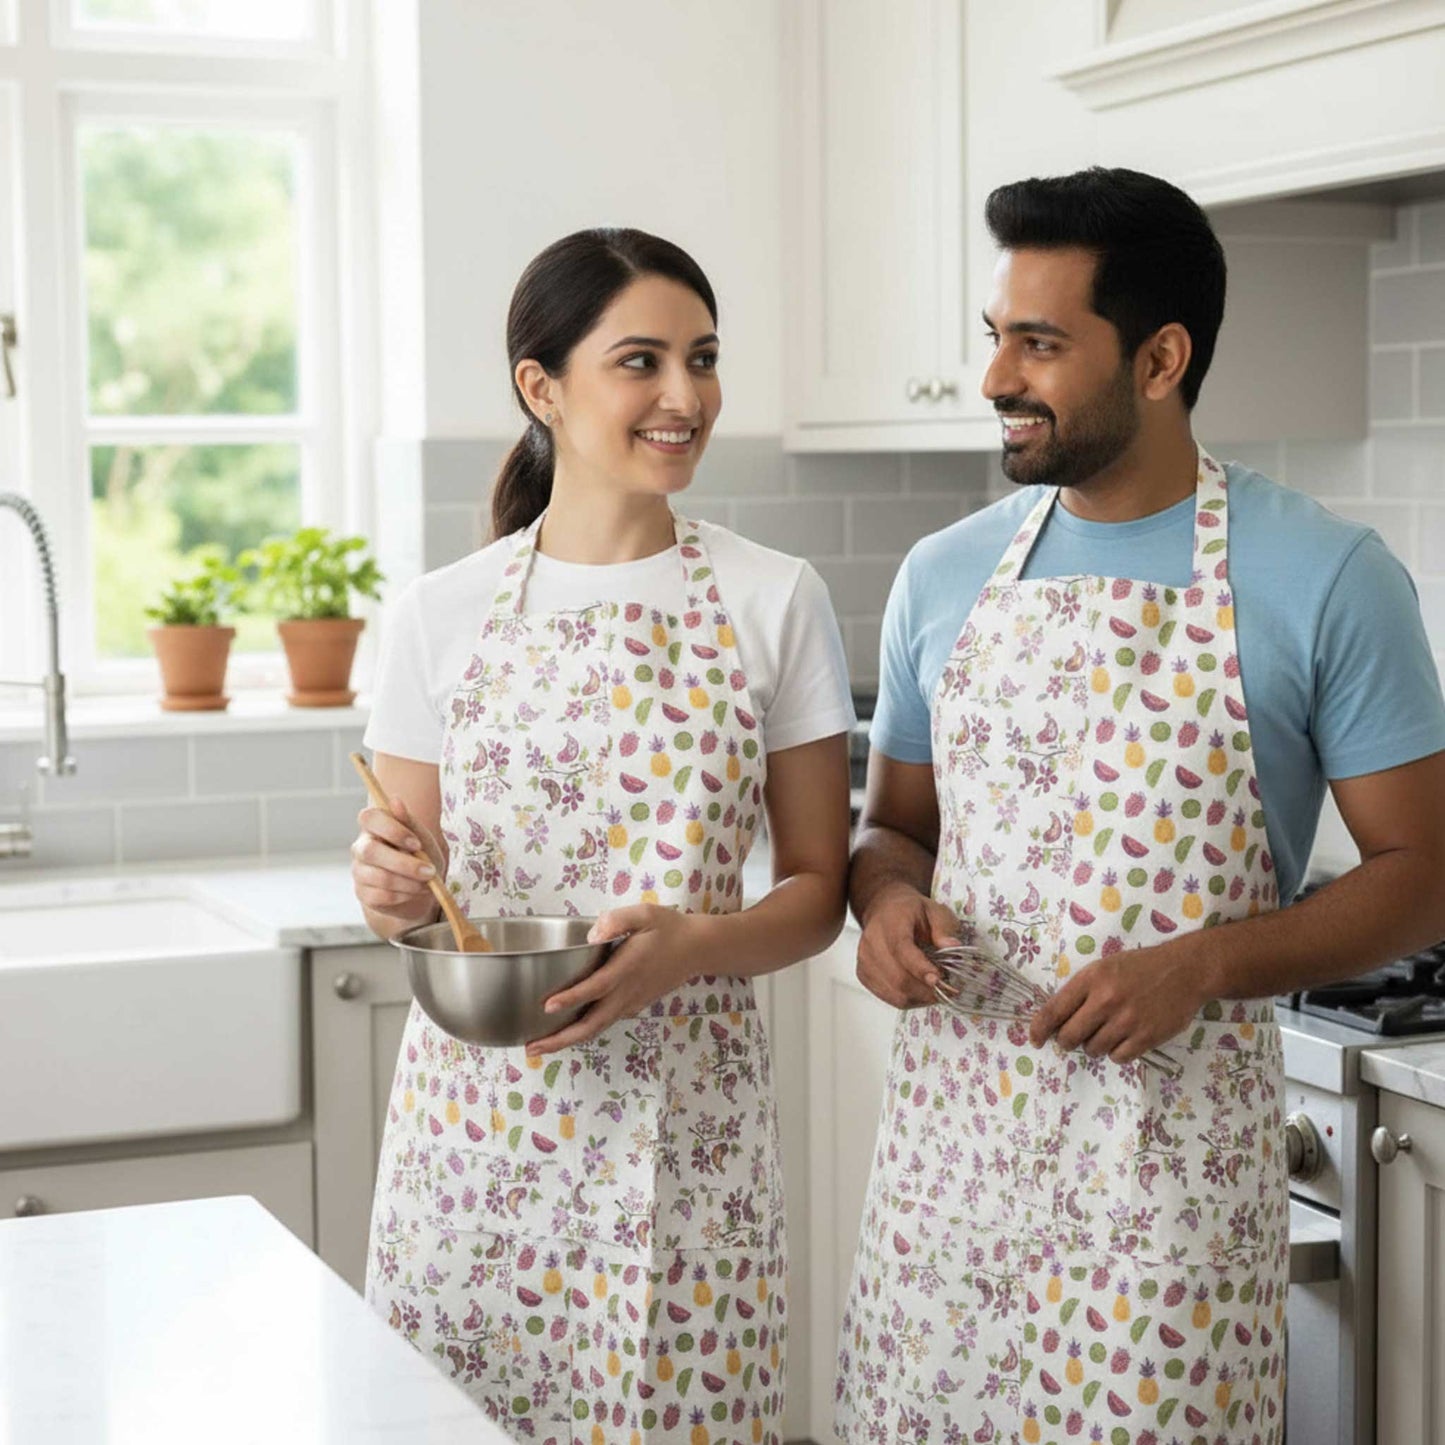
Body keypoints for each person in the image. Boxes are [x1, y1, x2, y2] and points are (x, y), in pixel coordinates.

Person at [836, 167, 1445, 1444]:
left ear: (1160, 356)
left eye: (1040, 342)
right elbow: (893, 827)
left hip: (1162, 1196)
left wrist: (1203, 964)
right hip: (946, 1180)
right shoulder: (942, 575)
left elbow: (1420, 871)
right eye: (993, 335)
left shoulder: (1326, 575)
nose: (997, 374)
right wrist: (883, 900)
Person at [351, 228, 853, 1444]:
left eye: (703, 358)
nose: (685, 397)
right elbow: (412, 895)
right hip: (474, 1148)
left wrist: (691, 945)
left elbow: (817, 890)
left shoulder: (771, 596)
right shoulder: (439, 615)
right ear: (542, 385)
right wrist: (382, 883)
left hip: (690, 1145)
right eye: (641, 361)